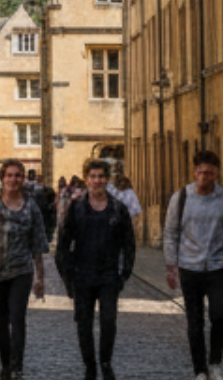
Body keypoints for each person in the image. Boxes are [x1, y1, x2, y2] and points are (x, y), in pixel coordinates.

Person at [163, 148, 223, 380]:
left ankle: (215, 362)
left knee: (219, 315)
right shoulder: (181, 198)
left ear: (216, 173)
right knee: (194, 320)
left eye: (209, 173)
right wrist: (171, 265)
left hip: (218, 265)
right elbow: (170, 232)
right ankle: (199, 369)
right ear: (194, 172)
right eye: (200, 172)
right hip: (189, 266)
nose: (204, 177)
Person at [55, 159, 137, 380]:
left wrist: (124, 274)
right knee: (84, 323)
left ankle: (105, 362)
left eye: (101, 176)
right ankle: (90, 366)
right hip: (82, 275)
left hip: (109, 276)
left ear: (107, 179)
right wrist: (68, 277)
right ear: (87, 179)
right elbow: (63, 244)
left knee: (109, 321)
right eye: (93, 176)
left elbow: (129, 244)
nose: (97, 180)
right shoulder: (77, 208)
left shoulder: (118, 209)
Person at [0, 158, 49, 380]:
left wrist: (40, 278)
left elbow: (38, 242)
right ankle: (5, 363)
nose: (14, 179)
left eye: (18, 175)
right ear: (2, 178)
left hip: (21, 270)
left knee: (17, 317)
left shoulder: (31, 206)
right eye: (10, 175)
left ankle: (17, 366)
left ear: (23, 179)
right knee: (0, 319)